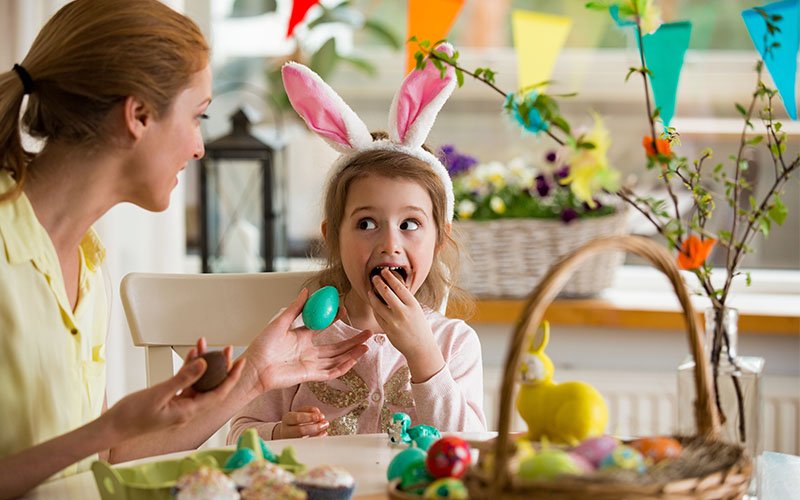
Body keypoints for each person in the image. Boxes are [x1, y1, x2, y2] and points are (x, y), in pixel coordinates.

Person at [0, 1, 371, 497]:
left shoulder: (87, 262)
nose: (199, 147)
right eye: (197, 116)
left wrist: (254, 378)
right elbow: (99, 443)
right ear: (138, 115)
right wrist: (109, 427)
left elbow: (103, 459)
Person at [228, 46, 486, 442]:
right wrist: (278, 432)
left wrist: (423, 355)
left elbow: (471, 449)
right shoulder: (297, 337)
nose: (389, 243)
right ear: (332, 236)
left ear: (439, 241)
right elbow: (239, 436)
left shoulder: (454, 344)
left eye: (410, 224)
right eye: (366, 223)